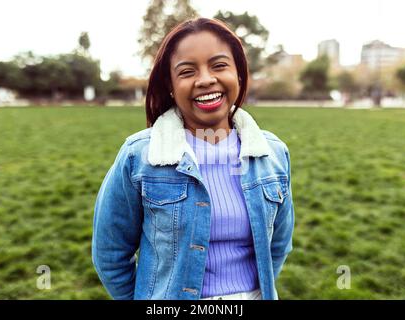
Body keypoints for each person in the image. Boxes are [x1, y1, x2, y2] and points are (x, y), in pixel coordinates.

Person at [92, 17, 295, 300]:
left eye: (219, 65)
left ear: (239, 74)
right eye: (187, 72)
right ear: (171, 86)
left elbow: (279, 245)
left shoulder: (273, 154)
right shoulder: (139, 156)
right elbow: (110, 253)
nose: (205, 79)